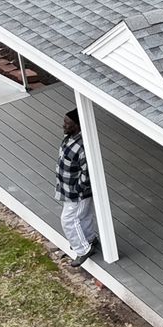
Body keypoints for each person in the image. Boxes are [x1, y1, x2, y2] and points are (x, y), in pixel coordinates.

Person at [57, 109, 98, 265]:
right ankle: (90, 239)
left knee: (68, 220)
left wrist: (78, 189)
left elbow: (86, 173)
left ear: (77, 125)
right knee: (83, 216)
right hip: (69, 189)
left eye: (68, 123)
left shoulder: (82, 146)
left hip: (77, 192)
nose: (64, 125)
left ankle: (83, 249)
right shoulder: (69, 138)